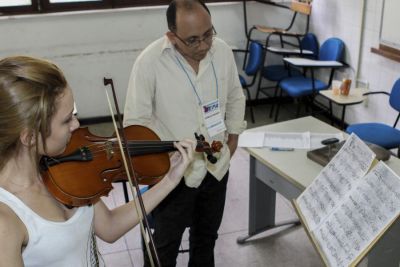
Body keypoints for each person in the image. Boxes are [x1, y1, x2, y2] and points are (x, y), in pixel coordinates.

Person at [0, 55, 195, 267]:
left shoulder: (66, 168)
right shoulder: (6, 219)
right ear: (28, 137)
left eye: (74, 113)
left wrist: (169, 180)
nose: (76, 125)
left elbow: (109, 227)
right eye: (66, 120)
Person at [123, 0, 246, 266]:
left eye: (208, 35)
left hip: (216, 168)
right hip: (172, 175)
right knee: (164, 246)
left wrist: (233, 139)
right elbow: (136, 123)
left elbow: (236, 96)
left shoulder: (221, 52)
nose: (203, 46)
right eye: (192, 40)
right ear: (172, 36)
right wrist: (164, 164)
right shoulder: (150, 62)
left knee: (206, 238)